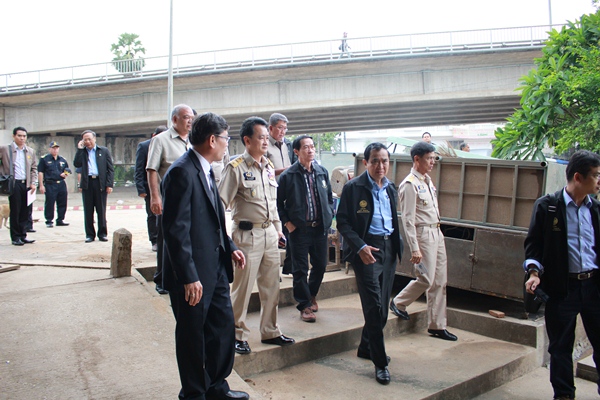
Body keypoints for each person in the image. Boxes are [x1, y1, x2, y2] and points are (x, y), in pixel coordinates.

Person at [161, 112, 248, 400]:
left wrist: (230, 247)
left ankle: (216, 387)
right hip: (194, 276)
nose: (227, 144)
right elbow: (176, 232)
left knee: (221, 330)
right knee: (192, 338)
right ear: (212, 140)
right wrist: (189, 277)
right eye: (226, 139)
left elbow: (210, 221)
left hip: (216, 267)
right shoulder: (181, 172)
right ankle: (194, 393)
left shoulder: (207, 169)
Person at [524, 150, 600, 400]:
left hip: (594, 288)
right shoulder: (548, 207)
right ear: (578, 177)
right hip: (562, 289)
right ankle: (564, 395)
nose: (599, 181)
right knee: (560, 347)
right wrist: (534, 273)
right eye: (596, 175)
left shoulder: (596, 209)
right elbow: (533, 245)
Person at [219, 116, 295, 355]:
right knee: (242, 289)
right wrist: (225, 240)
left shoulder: (269, 167)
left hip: (269, 234)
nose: (265, 142)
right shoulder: (236, 168)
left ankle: (270, 331)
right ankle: (236, 334)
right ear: (247, 140)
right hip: (246, 235)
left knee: (271, 286)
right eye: (260, 137)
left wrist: (278, 229)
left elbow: (272, 203)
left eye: (266, 138)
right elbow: (219, 204)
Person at [336, 142, 404, 385]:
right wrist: (360, 246)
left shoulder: (390, 187)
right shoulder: (354, 188)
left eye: (384, 161)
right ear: (366, 163)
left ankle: (366, 346)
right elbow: (342, 222)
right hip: (367, 250)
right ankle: (380, 363)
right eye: (375, 161)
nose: (380, 165)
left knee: (383, 309)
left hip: (388, 250)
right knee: (374, 309)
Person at [390, 141, 457, 341]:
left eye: (433, 158)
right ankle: (399, 302)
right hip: (423, 236)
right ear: (416, 159)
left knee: (439, 281)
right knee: (426, 278)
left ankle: (437, 325)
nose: (432, 162)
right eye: (429, 158)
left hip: (436, 232)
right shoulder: (409, 185)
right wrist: (415, 248)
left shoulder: (427, 181)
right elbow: (408, 220)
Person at [277, 135, 334, 322]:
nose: (310, 150)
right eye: (306, 147)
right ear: (296, 151)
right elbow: (278, 203)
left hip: (320, 229)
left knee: (320, 265)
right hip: (299, 230)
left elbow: (329, 197)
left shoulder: (321, 172)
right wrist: (288, 223)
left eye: (312, 146)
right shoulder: (288, 175)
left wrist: (329, 214)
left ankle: (311, 294)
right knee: (300, 269)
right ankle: (304, 305)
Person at [146, 104, 193, 295]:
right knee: (166, 240)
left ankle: (183, 276)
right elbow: (152, 169)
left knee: (186, 239)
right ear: (174, 119)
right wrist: (155, 197)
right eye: (186, 117)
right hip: (168, 201)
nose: (190, 121)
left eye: (192, 118)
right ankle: (161, 278)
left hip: (189, 201)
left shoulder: (192, 141)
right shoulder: (160, 140)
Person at [266, 112, 296, 275]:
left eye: (285, 128)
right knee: (274, 231)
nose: (283, 131)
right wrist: (284, 170)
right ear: (271, 128)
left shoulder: (287, 145)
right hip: (270, 192)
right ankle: (272, 271)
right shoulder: (265, 144)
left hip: (287, 191)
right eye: (280, 128)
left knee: (289, 228)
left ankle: (289, 266)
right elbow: (263, 169)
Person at [73, 130, 114, 243]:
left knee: (101, 210)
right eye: (85, 140)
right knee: (88, 210)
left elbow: (110, 169)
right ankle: (90, 234)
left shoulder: (103, 151)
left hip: (100, 183)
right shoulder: (83, 152)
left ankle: (102, 234)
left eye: (89, 139)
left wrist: (109, 184)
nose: (87, 141)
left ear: (94, 139)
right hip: (87, 183)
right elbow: (76, 164)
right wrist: (79, 149)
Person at [0, 127, 37, 246]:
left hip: (26, 184)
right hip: (14, 183)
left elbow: (34, 168)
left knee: (25, 211)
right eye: (19, 136)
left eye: (24, 136)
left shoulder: (30, 151)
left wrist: (33, 182)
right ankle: (15, 237)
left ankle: (23, 235)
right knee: (16, 210)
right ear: (14, 136)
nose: (22, 138)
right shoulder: (5, 149)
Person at [135, 125, 167, 252]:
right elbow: (139, 169)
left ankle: (164, 239)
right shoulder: (144, 146)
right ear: (154, 136)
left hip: (165, 186)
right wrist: (141, 189)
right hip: (150, 187)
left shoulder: (168, 145)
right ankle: (154, 240)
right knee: (153, 214)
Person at [38, 141, 71, 228]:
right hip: (50, 183)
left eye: (56, 148)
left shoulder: (62, 159)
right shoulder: (44, 159)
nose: (55, 150)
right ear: (49, 149)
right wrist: (41, 185)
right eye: (53, 148)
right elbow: (40, 172)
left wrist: (65, 174)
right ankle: (49, 220)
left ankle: (60, 219)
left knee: (62, 202)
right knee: (50, 202)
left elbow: (67, 169)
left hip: (61, 183)